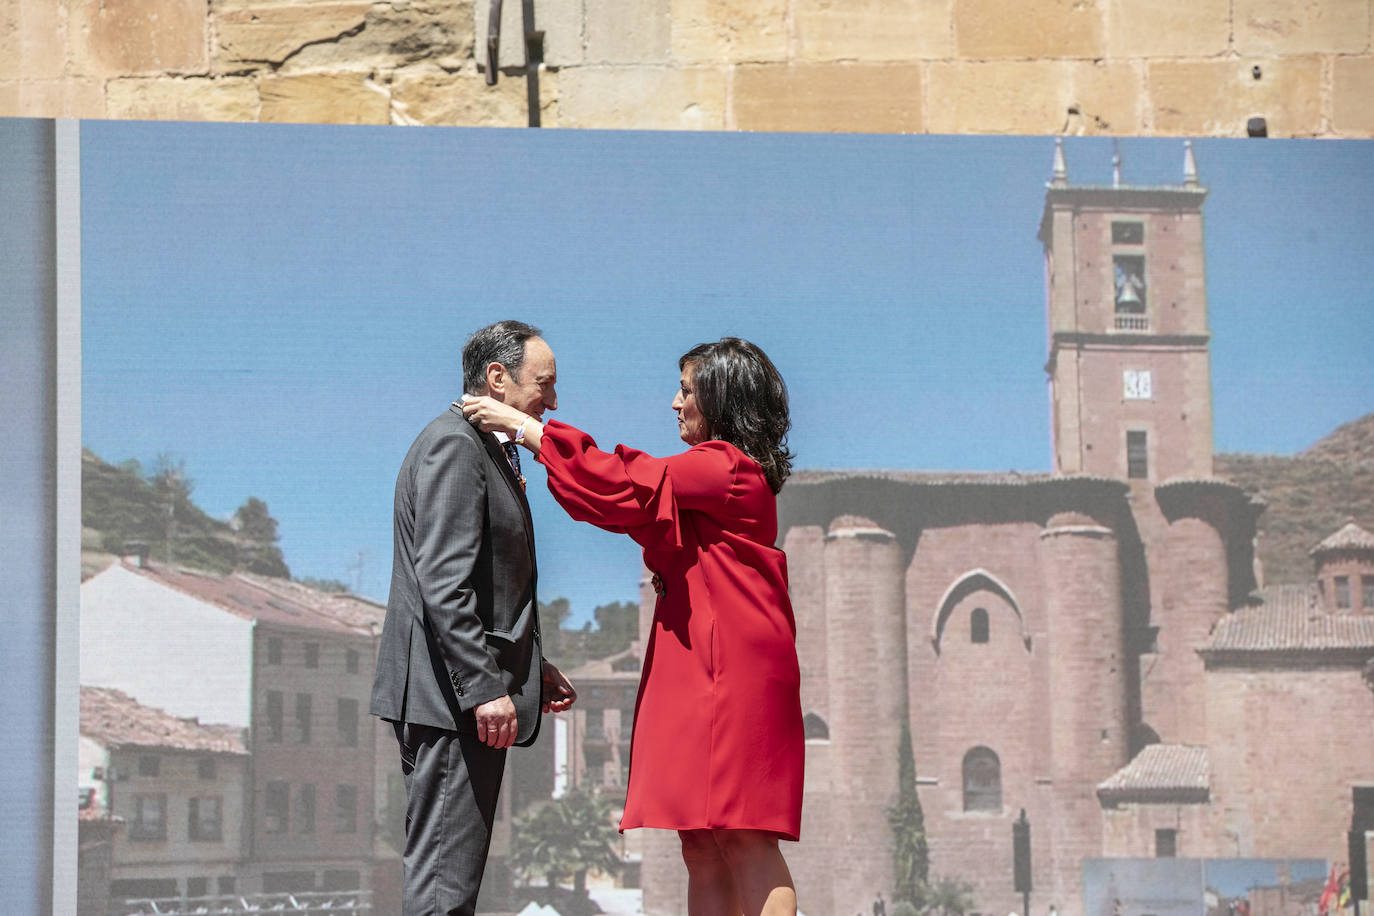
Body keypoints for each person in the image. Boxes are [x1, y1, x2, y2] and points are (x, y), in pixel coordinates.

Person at [463, 336, 804, 916]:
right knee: (700, 842)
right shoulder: (711, 475)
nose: (674, 403)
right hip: (700, 664)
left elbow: (624, 481)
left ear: (721, 400)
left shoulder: (727, 466)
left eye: (687, 390)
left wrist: (526, 430)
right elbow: (615, 499)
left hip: (731, 670)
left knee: (746, 836)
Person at [370, 320, 577, 916]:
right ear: (497, 379)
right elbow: (442, 581)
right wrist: (486, 687)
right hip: (452, 704)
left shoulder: (476, 448)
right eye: (545, 384)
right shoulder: (455, 446)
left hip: (454, 699)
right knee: (443, 891)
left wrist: (533, 668)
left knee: (449, 886)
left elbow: (482, 589)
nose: (553, 401)